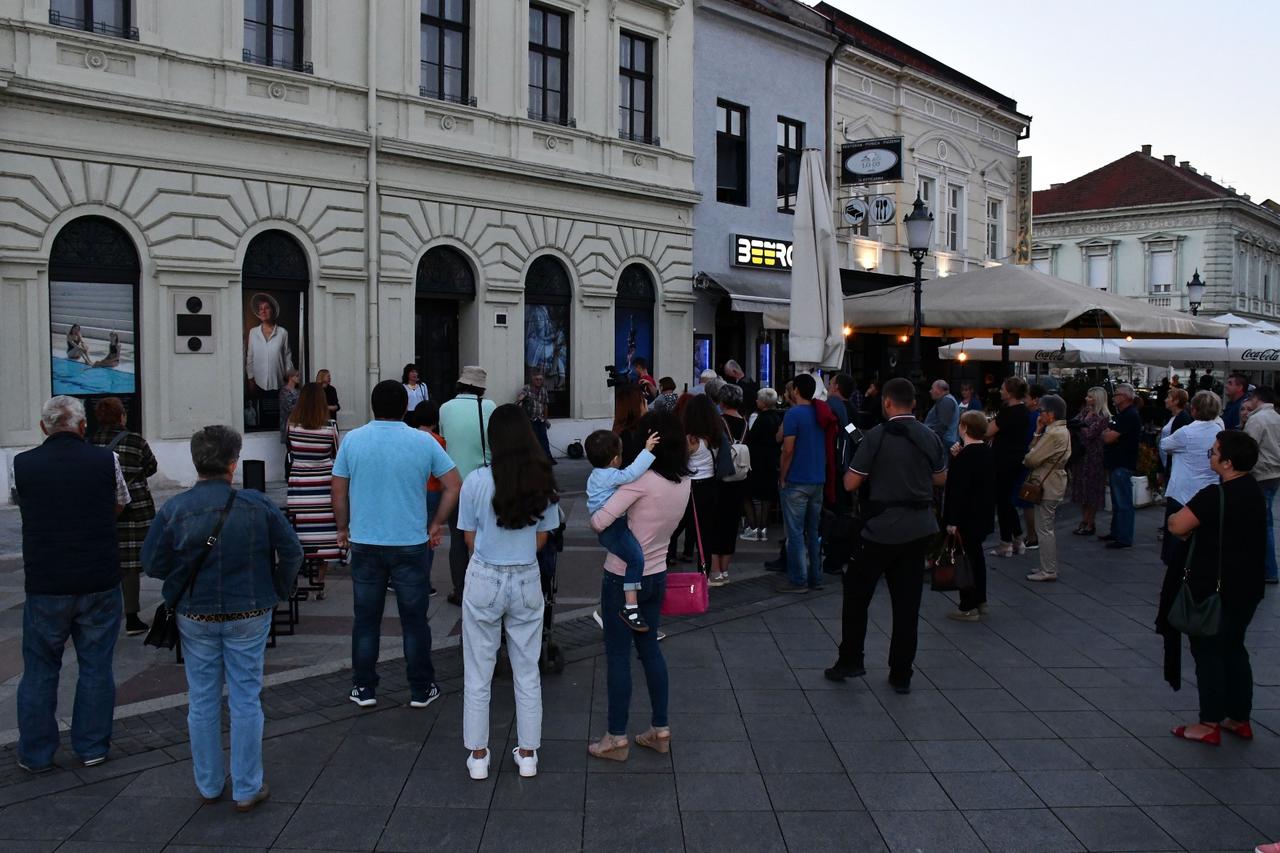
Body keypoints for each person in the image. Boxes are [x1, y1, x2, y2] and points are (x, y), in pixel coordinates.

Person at [141, 425, 302, 812]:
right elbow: (292, 551)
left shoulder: (176, 509)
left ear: (197, 462)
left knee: (202, 697)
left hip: (195, 612)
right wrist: (278, 588)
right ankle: (246, 786)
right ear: (234, 464)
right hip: (249, 608)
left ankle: (210, 783)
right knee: (246, 696)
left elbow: (152, 562)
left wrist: (180, 578)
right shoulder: (257, 505)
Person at [14, 396, 129, 773]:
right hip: (97, 575)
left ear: (44, 427)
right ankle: (92, 746)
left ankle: (36, 753)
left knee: (40, 668)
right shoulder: (104, 459)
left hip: (47, 579)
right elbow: (119, 504)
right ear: (83, 427)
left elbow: (24, 503)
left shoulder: (23, 464)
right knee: (96, 665)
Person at [332, 380, 462, 708]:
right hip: (410, 542)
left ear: (372, 405)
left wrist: (342, 528)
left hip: (365, 541)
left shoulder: (353, 440)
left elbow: (338, 490)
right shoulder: (423, 440)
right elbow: (453, 484)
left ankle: (364, 688)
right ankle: (421, 688)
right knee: (415, 620)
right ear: (406, 407)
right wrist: (436, 523)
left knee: (365, 620)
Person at [456, 404, 559, 780]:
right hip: (526, 578)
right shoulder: (541, 480)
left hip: (484, 576)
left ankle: (479, 755)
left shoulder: (476, 481)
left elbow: (468, 537)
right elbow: (543, 536)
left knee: (478, 671)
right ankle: (528, 753)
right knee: (527, 669)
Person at [825, 378, 946, 692]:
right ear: (915, 404)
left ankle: (851, 660)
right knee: (907, 606)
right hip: (919, 528)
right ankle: (901, 673)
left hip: (879, 529)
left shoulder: (877, 436)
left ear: (888, 403)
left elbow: (851, 483)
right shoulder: (929, 436)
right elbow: (941, 478)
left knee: (856, 595)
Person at [588, 410, 690, 761]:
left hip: (622, 576)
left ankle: (616, 737)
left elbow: (600, 521)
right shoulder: (683, 479)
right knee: (650, 651)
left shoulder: (641, 480)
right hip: (657, 572)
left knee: (618, 656)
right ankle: (660, 730)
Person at [1166, 431, 1267, 745]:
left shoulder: (1215, 494)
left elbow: (1177, 525)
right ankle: (1239, 717)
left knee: (1208, 651)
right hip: (1247, 585)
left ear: (1227, 462)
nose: (1210, 454)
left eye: (1214, 451)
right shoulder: (1253, 490)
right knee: (1234, 648)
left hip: (1212, 586)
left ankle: (1208, 722)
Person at [90, 397, 158, 636]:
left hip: (102, 506)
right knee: (130, 565)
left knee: (108, 559)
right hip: (135, 506)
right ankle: (131, 616)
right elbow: (151, 466)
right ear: (121, 416)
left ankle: (103, 612)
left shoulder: (92, 442)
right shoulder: (135, 440)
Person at [586, 428, 660, 629]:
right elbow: (632, 473)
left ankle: (622, 606)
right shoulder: (610, 475)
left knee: (627, 561)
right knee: (636, 559)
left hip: (609, 527)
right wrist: (647, 450)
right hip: (612, 528)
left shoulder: (596, 474)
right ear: (615, 460)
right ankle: (631, 607)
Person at [439, 366, 497, 605]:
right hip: (484, 482)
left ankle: (460, 590)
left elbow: (445, 441)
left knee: (457, 538)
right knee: (486, 536)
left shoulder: (445, 408)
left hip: (453, 484)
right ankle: (486, 588)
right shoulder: (489, 407)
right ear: (481, 387)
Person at [286, 382, 342, 598]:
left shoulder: (292, 425)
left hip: (300, 484)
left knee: (301, 531)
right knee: (323, 532)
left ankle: (299, 579)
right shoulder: (329, 428)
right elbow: (336, 453)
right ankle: (320, 581)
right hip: (323, 484)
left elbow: (290, 449)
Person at [1160, 390, 1224, 569]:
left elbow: (1165, 444)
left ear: (1194, 410)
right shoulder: (1218, 430)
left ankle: (1176, 569)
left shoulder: (1186, 432)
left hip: (1183, 490)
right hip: (1208, 488)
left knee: (1176, 536)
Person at [943, 410, 996, 620]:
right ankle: (980, 599)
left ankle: (968, 605)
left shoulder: (965, 457)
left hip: (965, 517)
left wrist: (951, 520)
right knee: (977, 557)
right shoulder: (987, 452)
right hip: (982, 515)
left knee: (964, 561)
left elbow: (957, 491)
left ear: (964, 428)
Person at [777, 373, 826, 593]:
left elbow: (788, 448)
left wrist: (783, 475)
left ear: (795, 390)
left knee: (795, 533)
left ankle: (799, 580)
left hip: (797, 478)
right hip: (818, 478)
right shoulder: (821, 412)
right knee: (813, 531)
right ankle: (816, 577)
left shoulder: (793, 414)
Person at [1022, 395, 1073, 582]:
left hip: (1047, 483)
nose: (1039, 414)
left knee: (1044, 528)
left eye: (1041, 411)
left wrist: (1035, 441)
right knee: (1044, 526)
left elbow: (1031, 458)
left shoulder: (1053, 433)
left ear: (1050, 414)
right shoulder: (1058, 430)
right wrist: (1037, 432)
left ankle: (1048, 569)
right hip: (1052, 482)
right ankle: (1046, 565)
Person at [669, 394, 720, 568]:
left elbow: (678, 462)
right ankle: (703, 573)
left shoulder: (691, 440)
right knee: (705, 533)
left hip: (691, 487)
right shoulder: (714, 437)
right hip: (710, 485)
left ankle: (667, 557)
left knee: (676, 525)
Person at [986, 376, 1032, 557]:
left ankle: (1006, 543)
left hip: (1002, 460)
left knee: (1003, 502)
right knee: (1008, 501)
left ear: (1010, 392)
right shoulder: (1024, 411)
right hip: (1017, 459)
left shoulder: (1008, 412)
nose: (1000, 391)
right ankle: (1017, 539)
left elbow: (988, 432)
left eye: (1003, 389)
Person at [710, 383, 748, 586]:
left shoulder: (718, 421)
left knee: (716, 523)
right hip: (740, 478)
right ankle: (724, 571)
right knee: (731, 525)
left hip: (722, 477)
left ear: (721, 401)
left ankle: (714, 571)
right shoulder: (745, 422)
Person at [1244, 387, 1280, 584]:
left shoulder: (1257, 419)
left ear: (1256, 399)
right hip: (1274, 473)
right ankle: (1267, 568)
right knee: (1266, 521)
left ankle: (1269, 569)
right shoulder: (1277, 417)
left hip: (1261, 474)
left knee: (1263, 524)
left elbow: (1248, 448)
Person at [1101, 383, 1142, 549]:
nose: (1114, 397)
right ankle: (1117, 531)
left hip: (1122, 463)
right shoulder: (1122, 415)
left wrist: (1109, 434)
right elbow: (1107, 433)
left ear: (1125, 397)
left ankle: (1123, 536)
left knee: (1123, 501)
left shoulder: (1129, 415)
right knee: (1117, 501)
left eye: (1116, 394)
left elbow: (1108, 436)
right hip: (1116, 462)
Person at [1069, 387, 1111, 536]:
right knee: (1082, 490)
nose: (1087, 400)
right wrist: (1079, 426)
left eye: (1091, 397)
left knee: (1091, 491)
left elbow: (1090, 434)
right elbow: (1073, 424)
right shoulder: (1084, 412)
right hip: (1081, 456)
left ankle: (1089, 522)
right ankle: (1084, 520)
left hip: (1094, 457)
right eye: (1087, 397)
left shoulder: (1103, 416)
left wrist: (1080, 426)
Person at [743, 387, 782, 542]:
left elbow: (752, 439)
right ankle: (763, 528)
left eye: (758, 399)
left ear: (764, 402)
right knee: (766, 497)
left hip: (758, 462)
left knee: (748, 495)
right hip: (771, 461)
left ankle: (753, 527)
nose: (756, 401)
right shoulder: (776, 418)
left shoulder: (761, 419)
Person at [245, 292, 293, 395]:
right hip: (258, 383)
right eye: (261, 308)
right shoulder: (253, 332)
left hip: (279, 383)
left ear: (272, 310)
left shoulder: (283, 332)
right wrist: (250, 379)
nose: (263, 311)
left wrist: (289, 379)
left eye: (266, 308)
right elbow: (250, 357)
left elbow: (287, 357)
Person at [516, 369, 554, 462]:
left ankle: (548, 457)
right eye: (537, 379)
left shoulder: (544, 390)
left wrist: (545, 419)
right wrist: (521, 397)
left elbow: (545, 405)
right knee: (533, 439)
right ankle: (533, 458)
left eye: (541, 379)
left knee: (544, 439)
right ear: (532, 380)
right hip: (530, 419)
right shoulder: (527, 388)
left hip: (540, 419)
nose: (539, 381)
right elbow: (520, 398)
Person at [924, 379, 960, 451]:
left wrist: (931, 439)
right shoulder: (945, 400)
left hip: (945, 442)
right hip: (944, 441)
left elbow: (942, 425)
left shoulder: (946, 401)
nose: (930, 391)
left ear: (939, 390)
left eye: (932, 388)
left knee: (942, 462)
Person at [278, 369, 301, 444]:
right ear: (290, 377)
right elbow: (288, 407)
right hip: (288, 422)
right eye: (297, 376)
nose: (299, 378)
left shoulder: (298, 391)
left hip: (299, 423)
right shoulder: (284, 391)